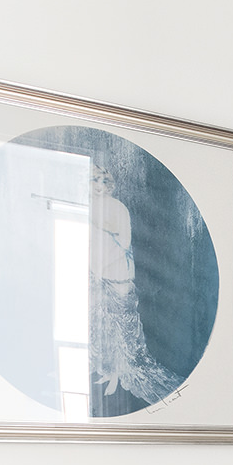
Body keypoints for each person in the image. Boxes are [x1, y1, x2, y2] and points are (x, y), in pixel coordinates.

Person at [89, 158, 177, 409]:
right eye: (94, 180)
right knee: (103, 323)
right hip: (97, 273)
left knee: (123, 327)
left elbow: (124, 242)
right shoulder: (88, 207)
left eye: (104, 181)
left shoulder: (118, 208)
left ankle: (123, 372)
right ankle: (109, 371)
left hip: (118, 272)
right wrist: (93, 269)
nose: (99, 185)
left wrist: (102, 268)